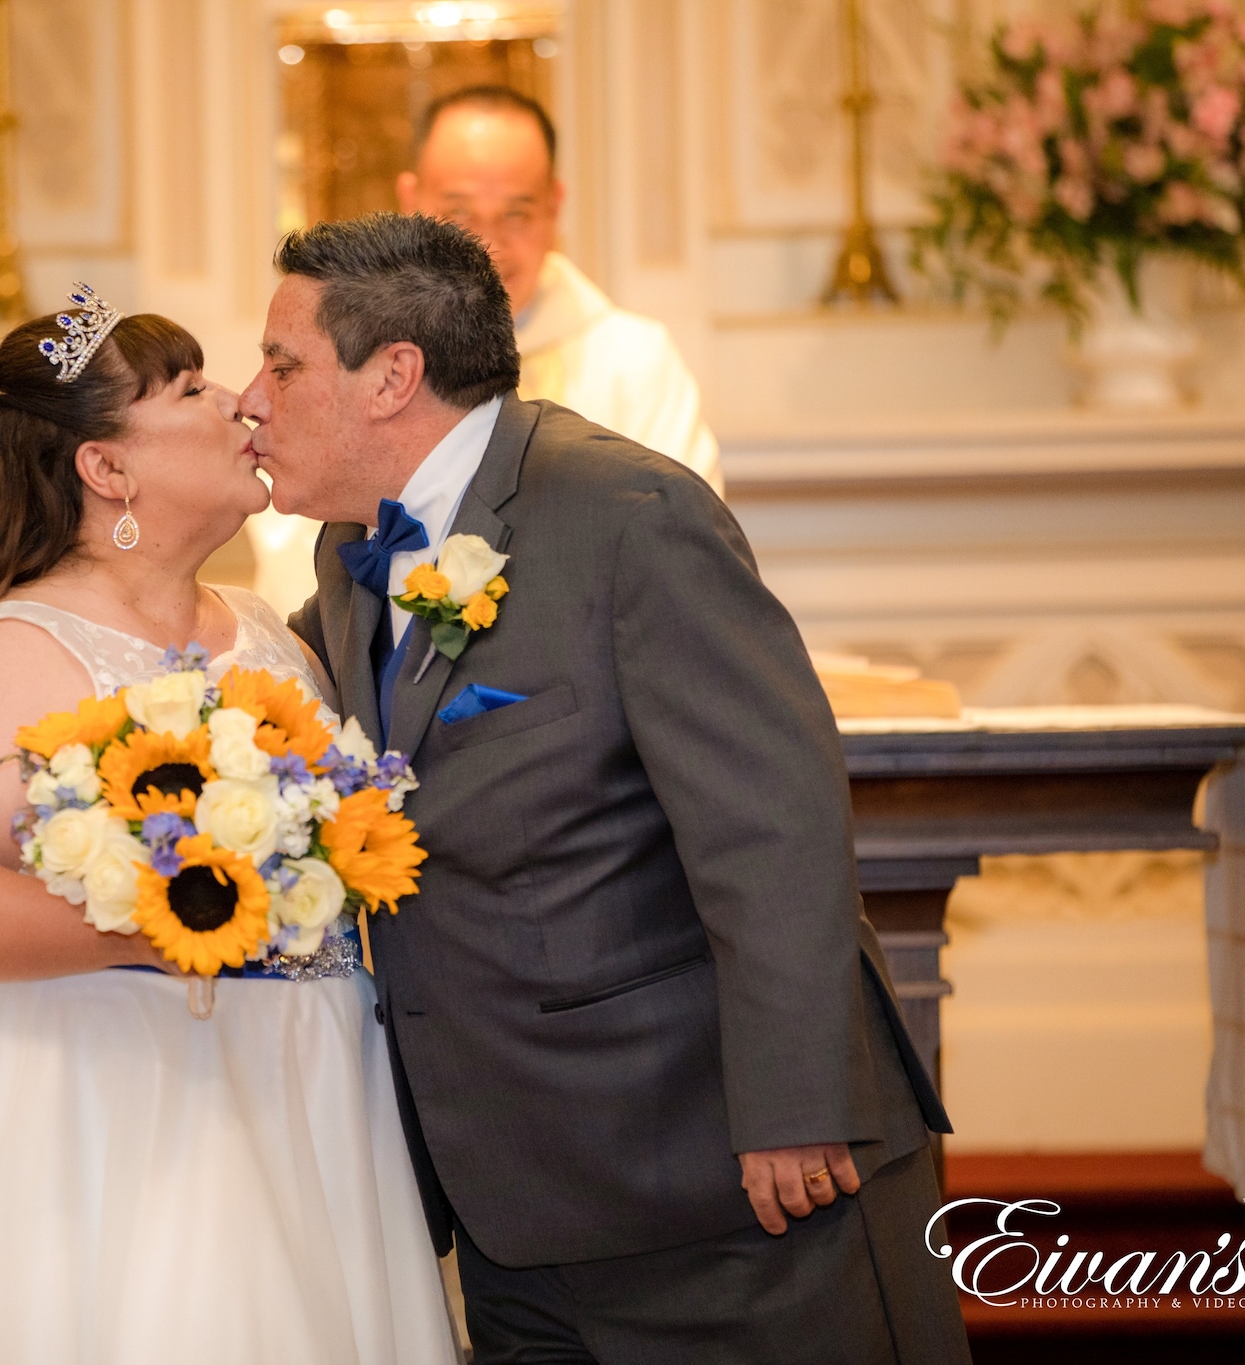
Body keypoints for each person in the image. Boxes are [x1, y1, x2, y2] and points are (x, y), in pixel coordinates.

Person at [240, 213, 969, 1365]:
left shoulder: (627, 517)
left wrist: (794, 1109)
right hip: (513, 1203)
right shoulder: (349, 555)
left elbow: (770, 828)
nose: (251, 399)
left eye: (281, 366)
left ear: (391, 377)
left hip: (723, 1187)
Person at [0, 291, 460, 1364]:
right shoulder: (11, 649)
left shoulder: (271, 635)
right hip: (104, 1099)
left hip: (305, 1087)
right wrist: (166, 925)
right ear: (106, 468)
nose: (239, 402)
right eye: (189, 388)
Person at [398, 84, 721, 494]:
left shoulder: (634, 363)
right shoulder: (361, 356)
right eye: (459, 212)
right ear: (410, 201)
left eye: (516, 213)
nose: (487, 247)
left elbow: (682, 523)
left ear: (554, 205)